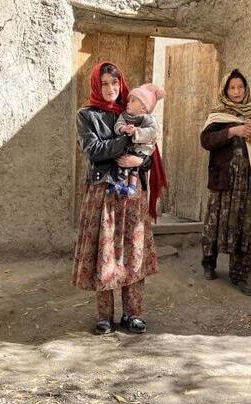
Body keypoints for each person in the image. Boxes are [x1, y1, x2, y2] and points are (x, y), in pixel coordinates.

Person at [72, 62, 163, 335]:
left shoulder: (134, 110)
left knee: (133, 253)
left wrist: (141, 159)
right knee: (105, 252)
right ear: (96, 86)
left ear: (121, 84)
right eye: (104, 84)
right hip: (103, 191)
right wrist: (129, 141)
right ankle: (104, 316)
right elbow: (94, 150)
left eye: (114, 83)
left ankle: (132, 314)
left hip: (133, 194)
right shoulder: (87, 115)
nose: (110, 88)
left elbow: (151, 151)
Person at [200, 69, 251, 296]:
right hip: (225, 182)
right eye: (232, 88)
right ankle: (209, 263)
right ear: (225, 91)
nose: (236, 91)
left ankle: (240, 276)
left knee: (248, 226)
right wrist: (232, 131)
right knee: (215, 223)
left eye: (240, 87)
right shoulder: (218, 115)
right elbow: (206, 141)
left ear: (246, 89)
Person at [108, 83, 165, 197]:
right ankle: (119, 182)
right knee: (121, 160)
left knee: (134, 167)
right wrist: (123, 128)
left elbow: (153, 132)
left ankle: (132, 187)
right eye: (128, 100)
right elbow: (118, 125)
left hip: (142, 150)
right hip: (127, 148)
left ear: (143, 107)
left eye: (133, 101)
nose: (128, 103)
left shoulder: (148, 119)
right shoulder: (124, 116)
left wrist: (136, 132)